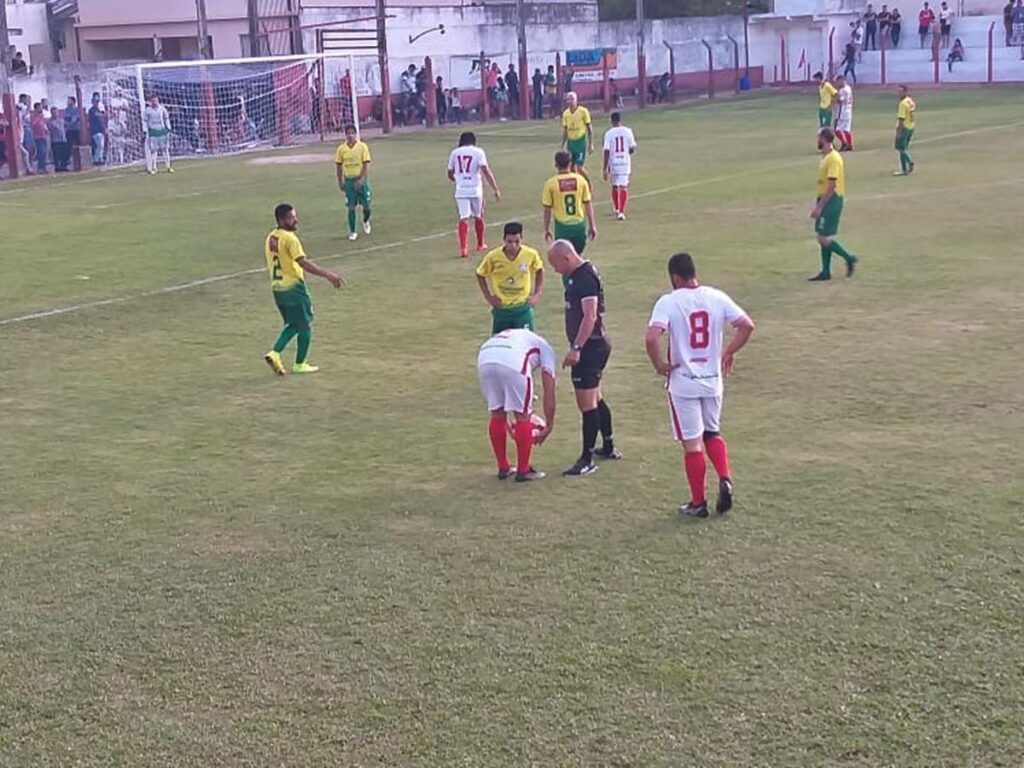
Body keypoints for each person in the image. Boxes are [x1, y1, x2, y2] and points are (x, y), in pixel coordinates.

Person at [644, 252, 755, 517]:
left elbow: (651, 338)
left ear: (674, 277)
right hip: (712, 380)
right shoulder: (716, 296)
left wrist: (659, 365)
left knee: (692, 444)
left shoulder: (669, 301)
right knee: (712, 432)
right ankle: (725, 477)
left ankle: (698, 503)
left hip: (683, 383)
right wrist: (728, 352)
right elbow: (746, 325)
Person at [546, 240, 619, 476]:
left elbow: (590, 316)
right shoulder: (582, 274)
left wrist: (576, 347)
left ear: (566, 257)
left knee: (586, 405)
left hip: (590, 348)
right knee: (596, 398)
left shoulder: (584, 278)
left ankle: (587, 460)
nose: (555, 269)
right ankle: (608, 446)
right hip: (596, 345)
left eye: (555, 264)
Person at [263, 204, 345, 376]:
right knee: (305, 323)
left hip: (277, 289)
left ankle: (274, 353)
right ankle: (300, 364)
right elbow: (303, 262)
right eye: (292, 217)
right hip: (294, 288)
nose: (296, 220)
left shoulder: (271, 237)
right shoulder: (290, 239)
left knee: (294, 323)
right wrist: (328, 275)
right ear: (282, 220)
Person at [477, 327, 557, 482]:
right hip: (512, 361)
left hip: (485, 358)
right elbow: (549, 392)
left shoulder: (522, 338)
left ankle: (503, 467)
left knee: (497, 413)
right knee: (523, 415)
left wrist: (510, 429)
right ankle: (523, 470)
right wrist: (549, 427)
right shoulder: (546, 350)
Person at [475, 222, 544, 334]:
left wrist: (537, 294)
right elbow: (480, 274)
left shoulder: (530, 254)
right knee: (501, 346)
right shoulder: (493, 257)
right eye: (509, 242)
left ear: (522, 238)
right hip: (502, 310)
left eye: (517, 242)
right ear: (503, 239)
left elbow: (540, 270)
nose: (513, 246)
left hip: (522, 309)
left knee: (525, 343)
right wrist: (488, 297)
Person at [808, 127, 858, 282]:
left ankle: (849, 257)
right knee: (823, 236)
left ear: (823, 139)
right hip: (825, 198)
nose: (816, 140)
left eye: (818, 137)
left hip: (831, 200)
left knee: (823, 238)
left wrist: (820, 206)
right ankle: (825, 271)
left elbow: (832, 186)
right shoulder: (826, 156)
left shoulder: (833, 159)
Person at [447, 131, 501, 258]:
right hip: (475, 189)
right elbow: (485, 171)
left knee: (463, 217)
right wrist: (495, 188)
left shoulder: (455, 153)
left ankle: (463, 248)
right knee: (478, 215)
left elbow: (449, 173)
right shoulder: (479, 152)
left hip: (461, 190)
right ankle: (480, 243)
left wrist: (458, 180)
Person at [542, 150, 598, 257]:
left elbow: (547, 209)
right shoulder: (581, 180)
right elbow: (588, 204)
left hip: (562, 227)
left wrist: (546, 228)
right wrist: (592, 225)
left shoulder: (550, 184)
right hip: (579, 226)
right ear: (570, 163)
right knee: (577, 259)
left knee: (565, 261)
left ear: (556, 165)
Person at [334, 124, 372, 241]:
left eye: (352, 133)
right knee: (351, 207)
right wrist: (340, 182)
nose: (350, 135)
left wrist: (361, 179)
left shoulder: (362, 147)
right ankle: (353, 231)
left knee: (367, 206)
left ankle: (365, 220)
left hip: (361, 180)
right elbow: (339, 166)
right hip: (349, 181)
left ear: (355, 134)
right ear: (345, 135)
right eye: (348, 133)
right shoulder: (341, 149)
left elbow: (365, 164)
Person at [602, 111, 637, 220]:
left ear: (611, 121)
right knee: (623, 186)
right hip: (624, 162)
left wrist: (604, 168)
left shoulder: (608, 133)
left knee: (615, 185)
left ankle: (617, 208)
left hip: (613, 162)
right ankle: (621, 212)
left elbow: (606, 151)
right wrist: (628, 151)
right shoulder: (628, 131)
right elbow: (632, 148)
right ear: (620, 120)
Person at [560, 91, 593, 180]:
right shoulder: (566, 114)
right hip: (571, 143)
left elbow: (589, 129)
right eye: (568, 99)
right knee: (571, 167)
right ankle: (577, 184)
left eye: (572, 99)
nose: (570, 101)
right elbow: (565, 130)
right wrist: (562, 144)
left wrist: (591, 144)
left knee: (579, 168)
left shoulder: (583, 111)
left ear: (576, 100)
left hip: (580, 142)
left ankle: (588, 183)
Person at [144, 95, 173, 175]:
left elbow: (166, 118)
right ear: (150, 102)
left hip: (162, 130)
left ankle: (168, 166)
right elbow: (145, 121)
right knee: (154, 150)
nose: (155, 102)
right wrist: (145, 130)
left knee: (165, 149)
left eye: (156, 101)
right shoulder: (147, 110)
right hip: (153, 131)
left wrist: (168, 127)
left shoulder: (162, 109)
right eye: (153, 101)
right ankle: (154, 167)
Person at [894, 84, 917, 176]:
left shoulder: (903, 104)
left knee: (900, 148)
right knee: (903, 149)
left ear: (905, 92)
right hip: (911, 126)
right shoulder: (910, 101)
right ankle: (904, 170)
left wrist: (899, 131)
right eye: (898, 91)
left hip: (904, 128)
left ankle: (909, 161)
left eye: (901, 92)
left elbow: (901, 118)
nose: (899, 94)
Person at [833, 74, 854, 151]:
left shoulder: (842, 90)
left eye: (838, 82)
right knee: (846, 130)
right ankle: (850, 145)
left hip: (841, 112)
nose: (837, 84)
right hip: (848, 111)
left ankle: (844, 143)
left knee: (836, 130)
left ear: (842, 81)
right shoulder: (849, 88)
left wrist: (834, 98)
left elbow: (840, 101)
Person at [48, 107, 70, 172]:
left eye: (56, 112)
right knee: (56, 155)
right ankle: (57, 167)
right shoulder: (50, 121)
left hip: (63, 139)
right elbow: (51, 128)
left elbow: (66, 126)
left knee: (64, 154)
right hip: (55, 140)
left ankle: (63, 166)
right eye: (53, 112)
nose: (55, 114)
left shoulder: (61, 120)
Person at [88, 92, 106, 166]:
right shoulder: (92, 110)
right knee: (99, 145)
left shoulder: (98, 109)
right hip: (95, 130)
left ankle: (100, 158)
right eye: (95, 101)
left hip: (100, 130)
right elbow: (98, 116)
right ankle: (96, 159)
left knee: (101, 145)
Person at [30, 103, 48, 174]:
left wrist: (46, 130)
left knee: (44, 153)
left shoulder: (42, 116)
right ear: (36, 108)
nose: (41, 109)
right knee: (41, 152)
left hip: (43, 135)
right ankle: (40, 168)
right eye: (39, 108)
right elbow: (33, 124)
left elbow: (43, 124)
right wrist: (39, 117)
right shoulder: (33, 116)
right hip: (37, 136)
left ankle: (43, 167)